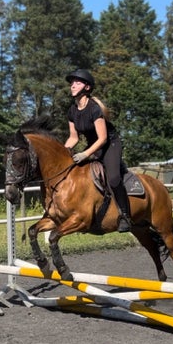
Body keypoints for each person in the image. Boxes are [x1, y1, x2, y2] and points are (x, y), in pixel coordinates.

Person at [64, 67, 132, 232]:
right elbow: (74, 138)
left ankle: (125, 216)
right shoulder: (72, 111)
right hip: (92, 146)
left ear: (86, 88)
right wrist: (63, 151)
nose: (72, 85)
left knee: (114, 178)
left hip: (110, 144)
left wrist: (85, 154)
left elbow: (102, 138)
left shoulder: (95, 109)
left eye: (77, 82)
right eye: (72, 82)